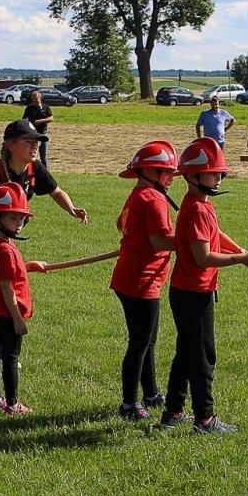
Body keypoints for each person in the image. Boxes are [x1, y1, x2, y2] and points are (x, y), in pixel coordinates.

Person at [161, 137, 248, 435]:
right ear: (193, 176)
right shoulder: (195, 208)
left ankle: (173, 411)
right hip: (192, 294)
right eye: (213, 172)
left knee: (187, 352)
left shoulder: (201, 203)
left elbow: (215, 234)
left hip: (193, 291)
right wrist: (239, 259)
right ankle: (205, 420)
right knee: (204, 356)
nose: (219, 177)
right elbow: (203, 256)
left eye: (221, 172)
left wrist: (245, 250)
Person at [0, 119, 89, 335]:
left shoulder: (35, 169)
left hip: (4, 239)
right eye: (29, 141)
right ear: (10, 145)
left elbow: (56, 191)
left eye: (38, 142)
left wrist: (71, 209)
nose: (35, 146)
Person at [111, 140, 180, 420]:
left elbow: (122, 224)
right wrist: (195, 241)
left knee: (148, 340)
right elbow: (159, 240)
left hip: (134, 277)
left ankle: (150, 393)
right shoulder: (153, 199)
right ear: (150, 172)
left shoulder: (138, 194)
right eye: (167, 172)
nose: (171, 178)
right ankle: (129, 404)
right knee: (140, 343)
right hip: (141, 281)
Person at [0, 183, 46, 414]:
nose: (19, 224)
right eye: (13, 219)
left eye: (21, 219)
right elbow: (8, 287)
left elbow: (11, 271)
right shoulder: (6, 250)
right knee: (10, 357)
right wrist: (18, 318)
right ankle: (12, 404)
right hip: (9, 311)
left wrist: (29, 266)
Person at [21, 89, 54, 166]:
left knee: (43, 156)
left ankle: (45, 172)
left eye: (36, 98)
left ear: (40, 97)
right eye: (33, 98)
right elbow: (23, 120)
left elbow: (51, 118)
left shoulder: (46, 107)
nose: (35, 100)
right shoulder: (29, 108)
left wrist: (40, 121)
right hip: (32, 134)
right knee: (31, 154)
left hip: (43, 134)